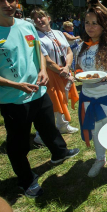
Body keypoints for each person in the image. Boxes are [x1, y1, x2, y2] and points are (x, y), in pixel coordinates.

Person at [0, 0, 79, 198]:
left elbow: (39, 51)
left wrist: (43, 70)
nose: (6, 3)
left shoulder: (27, 25)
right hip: (14, 99)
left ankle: (59, 153)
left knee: (49, 127)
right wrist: (16, 85)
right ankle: (26, 180)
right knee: (19, 144)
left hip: (40, 91)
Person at [76, 5, 107, 179]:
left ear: (104, 25)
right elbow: (78, 68)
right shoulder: (83, 45)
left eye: (95, 23)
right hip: (88, 96)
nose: (90, 27)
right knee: (96, 129)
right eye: (87, 22)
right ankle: (99, 159)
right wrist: (75, 75)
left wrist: (102, 79)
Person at [31, 8, 79, 140]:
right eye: (36, 19)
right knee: (52, 102)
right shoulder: (35, 36)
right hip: (50, 74)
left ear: (48, 18)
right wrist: (61, 71)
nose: (39, 20)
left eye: (41, 17)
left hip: (64, 70)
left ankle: (62, 125)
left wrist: (67, 67)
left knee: (63, 98)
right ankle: (42, 134)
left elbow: (68, 51)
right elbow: (46, 60)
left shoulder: (58, 33)